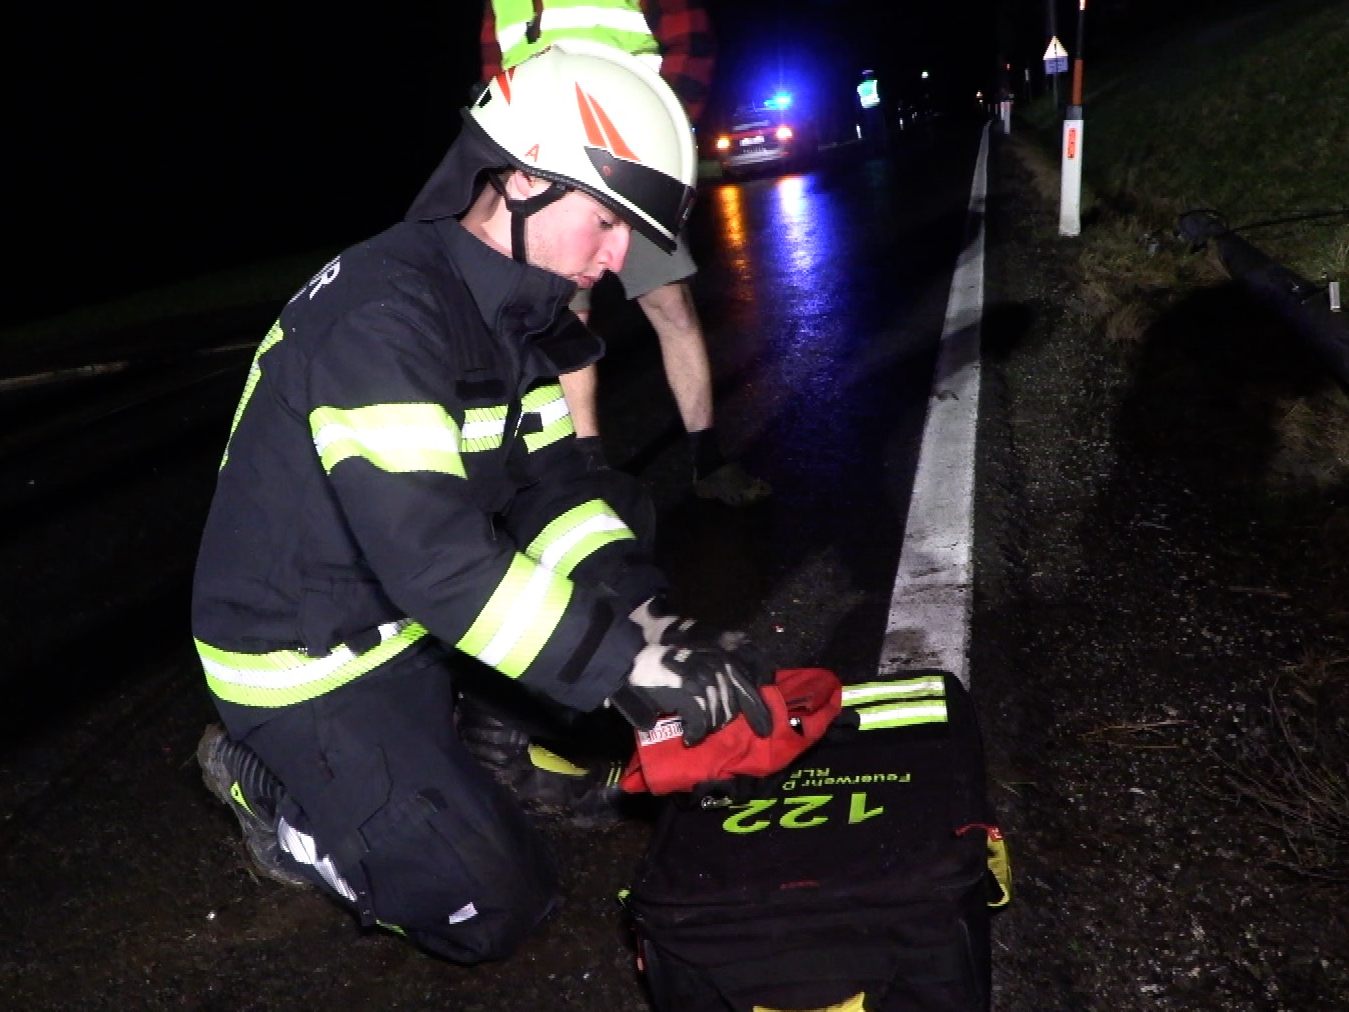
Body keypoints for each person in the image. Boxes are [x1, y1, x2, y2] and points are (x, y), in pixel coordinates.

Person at [191, 41, 771, 966]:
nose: (620, 261)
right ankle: (269, 786)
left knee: (618, 508)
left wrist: (661, 627)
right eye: (609, 223)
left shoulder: (509, 312)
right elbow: (438, 564)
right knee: (491, 908)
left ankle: (492, 751)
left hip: (409, 619)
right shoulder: (386, 320)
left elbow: (554, 497)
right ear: (522, 181)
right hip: (310, 657)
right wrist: (628, 668)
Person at [480, 0, 772, 505]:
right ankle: (589, 470)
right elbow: (497, 83)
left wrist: (661, 136)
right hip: (552, 179)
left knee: (672, 307)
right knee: (566, 323)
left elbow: (693, 47)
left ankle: (709, 461)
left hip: (635, 169)